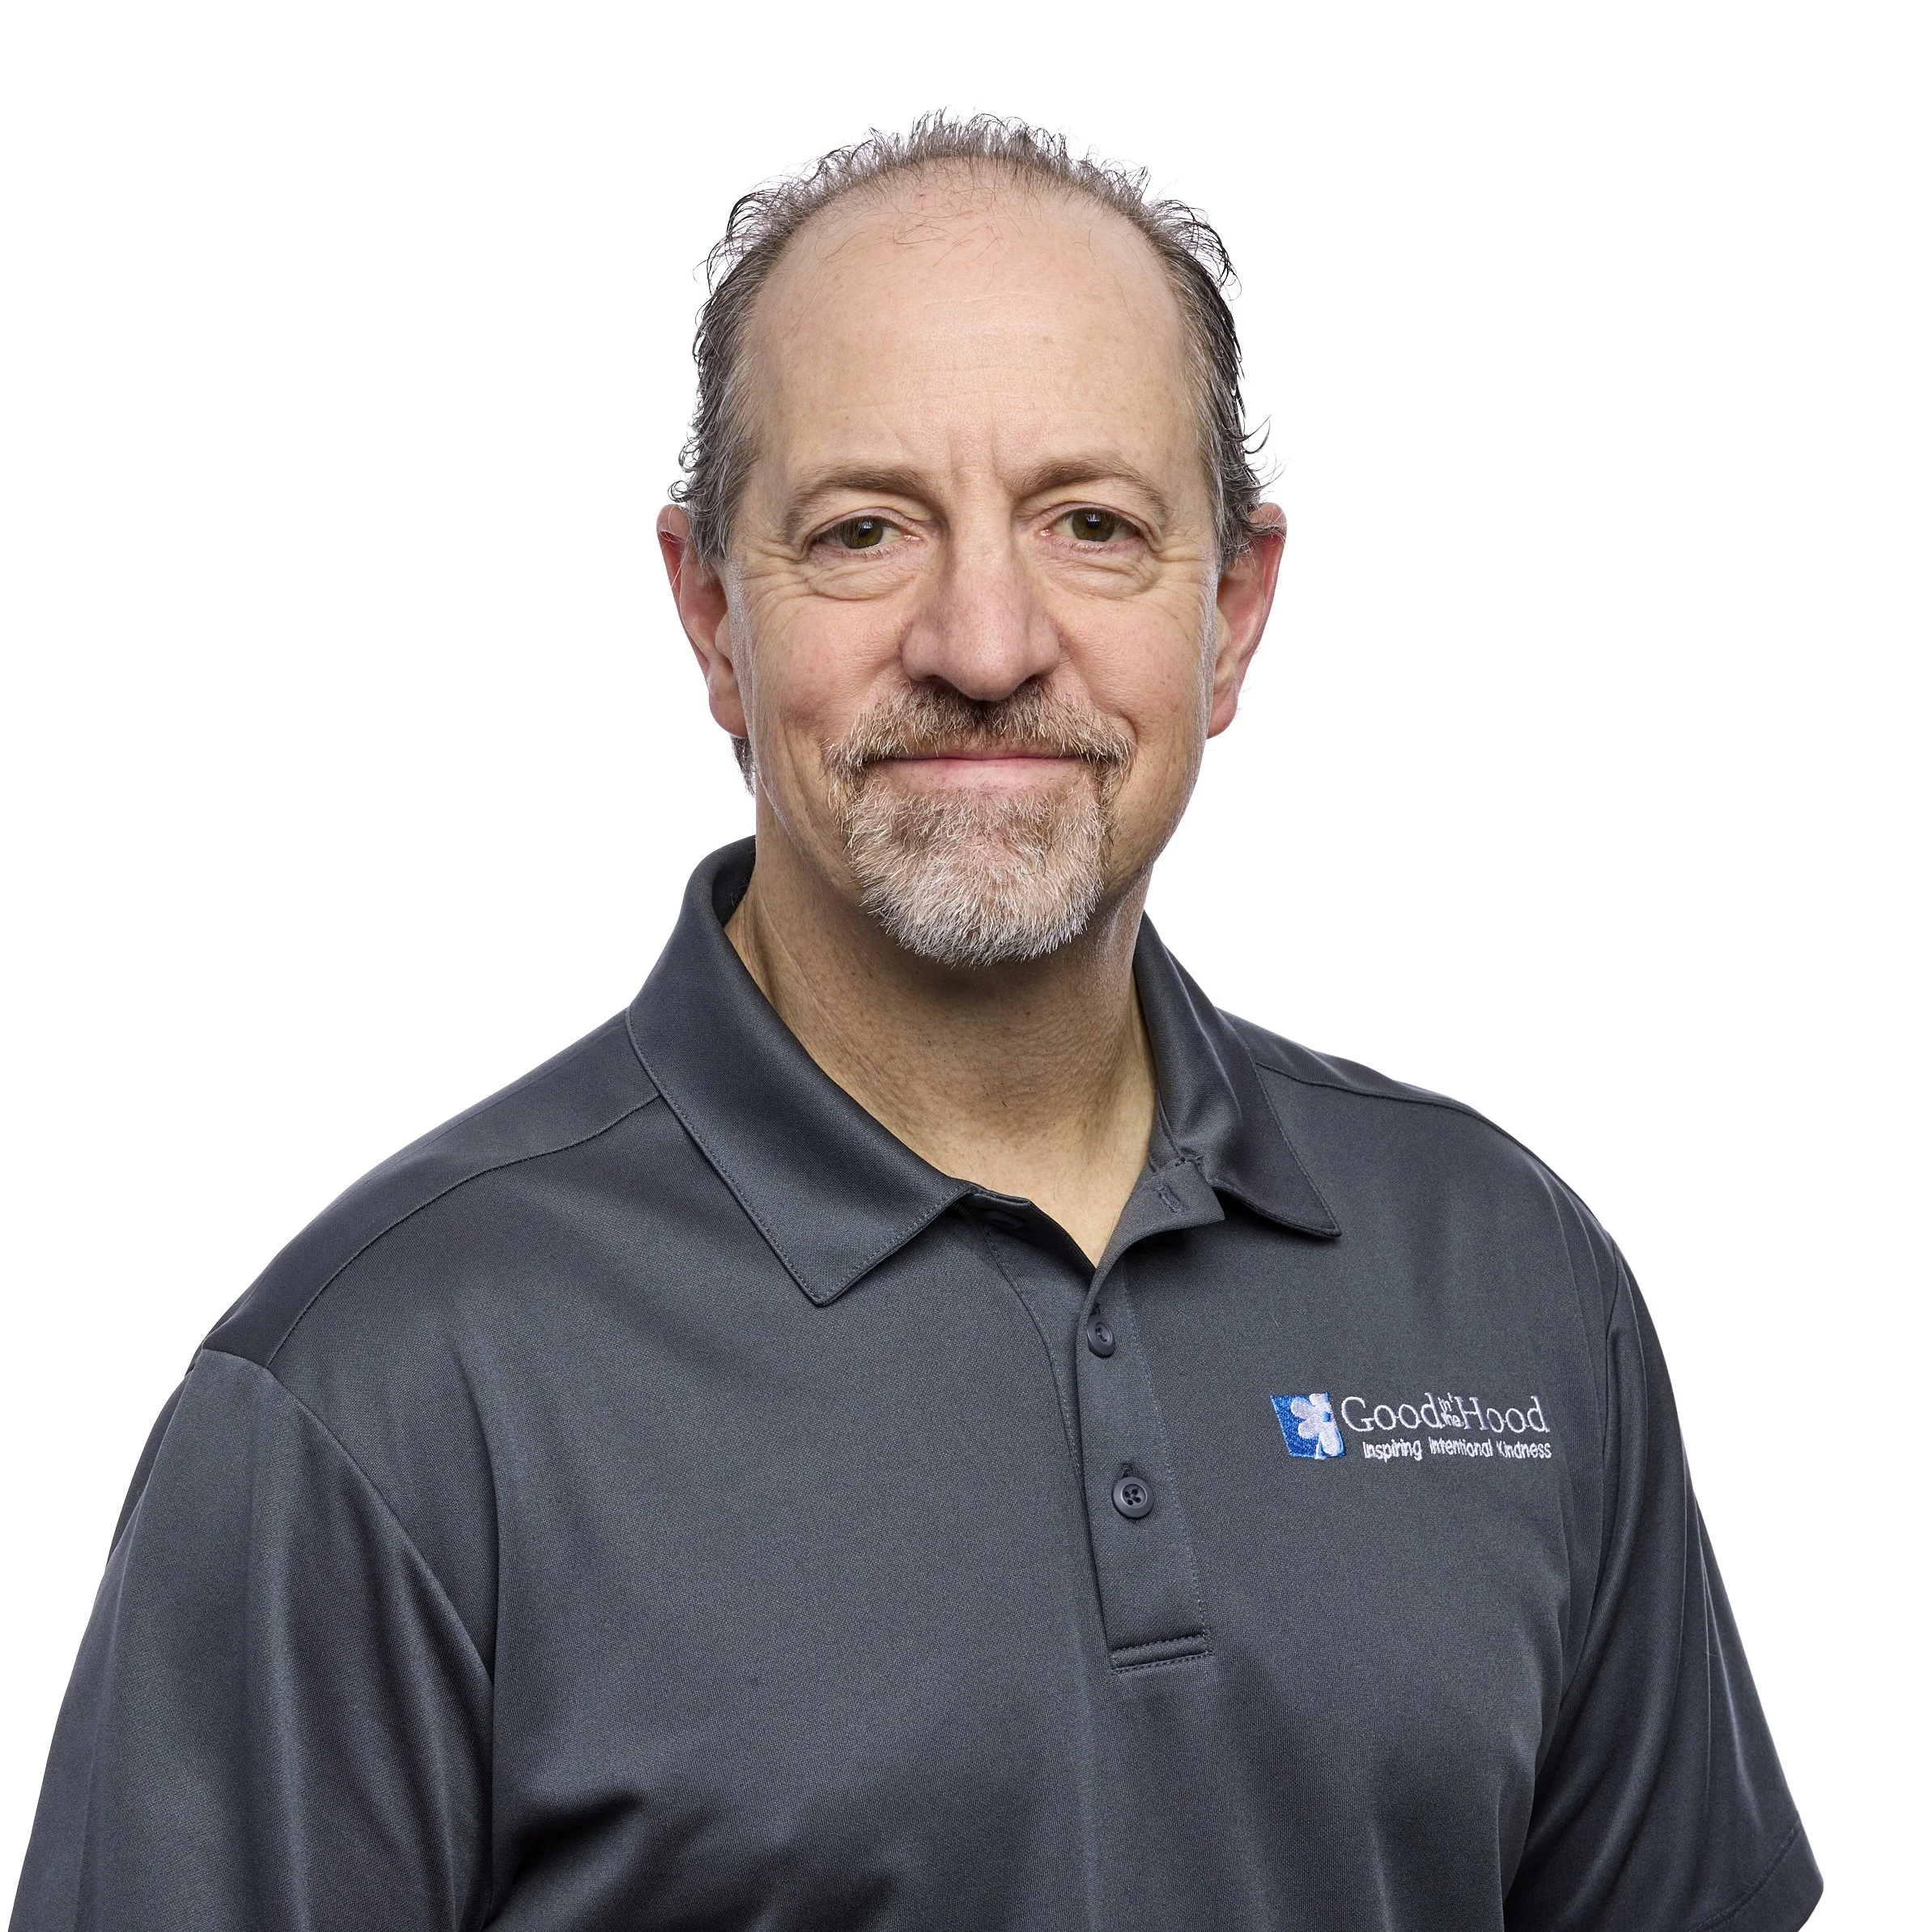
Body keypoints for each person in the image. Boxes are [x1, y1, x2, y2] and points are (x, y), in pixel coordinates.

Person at [10, 114, 1819, 1932]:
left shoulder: (1500, 1270)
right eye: (863, 529)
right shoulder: (379, 1394)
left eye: (1091, 525)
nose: (980, 637)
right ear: (712, 612)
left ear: (1231, 609)